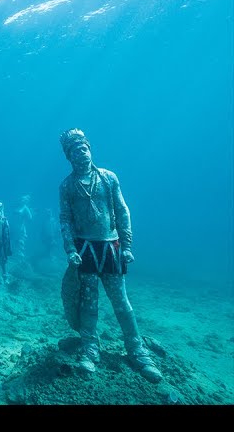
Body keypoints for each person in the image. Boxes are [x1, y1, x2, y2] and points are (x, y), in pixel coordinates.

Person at [58, 128, 162, 383]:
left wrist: (127, 245)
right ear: (69, 157)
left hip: (111, 249)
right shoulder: (67, 186)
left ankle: (137, 349)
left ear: (90, 149)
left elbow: (122, 211)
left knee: (121, 302)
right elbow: (66, 219)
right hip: (86, 251)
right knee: (89, 303)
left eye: (84, 148)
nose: (81, 153)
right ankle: (90, 349)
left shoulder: (108, 178)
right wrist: (70, 249)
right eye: (75, 151)